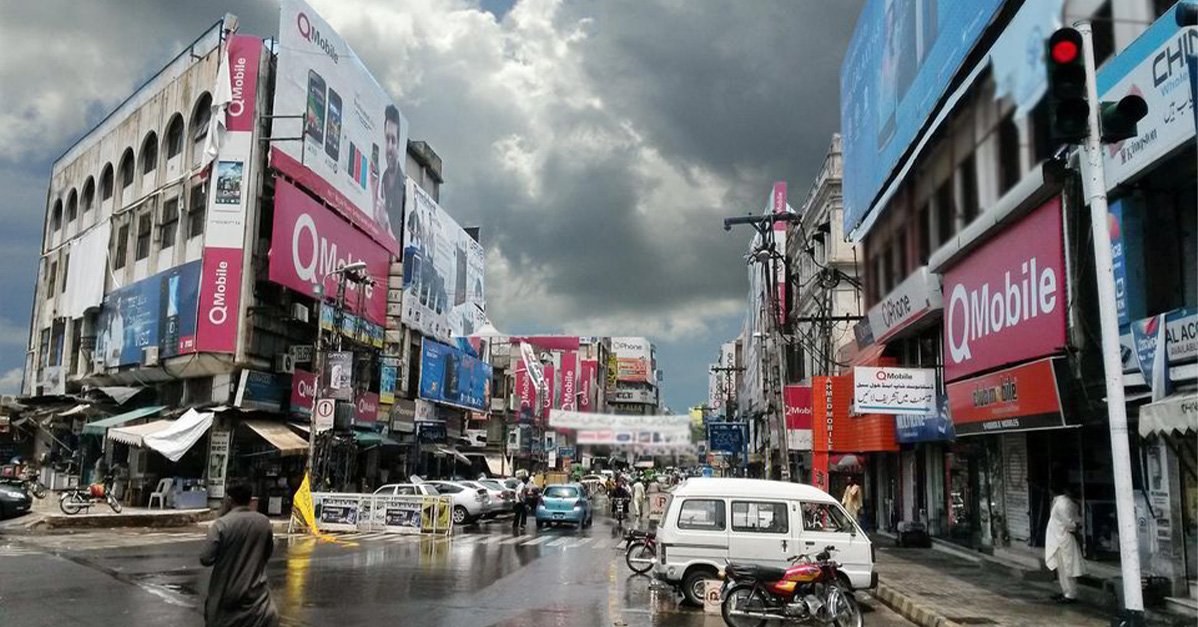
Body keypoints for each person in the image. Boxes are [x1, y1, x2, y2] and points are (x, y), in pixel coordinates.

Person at [200, 483, 278, 627]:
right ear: (250, 500)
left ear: (229, 500)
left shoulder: (221, 525)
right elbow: (267, 553)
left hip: (226, 603)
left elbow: (205, 558)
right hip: (258, 603)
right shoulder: (263, 522)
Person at [1045, 481, 1083, 604]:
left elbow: (1069, 523)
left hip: (1064, 539)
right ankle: (1066, 591)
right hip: (1059, 539)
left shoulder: (1063, 504)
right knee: (1063, 568)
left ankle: (1070, 594)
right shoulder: (1060, 502)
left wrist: (1074, 528)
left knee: (1067, 568)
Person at [379, 104, 404, 240]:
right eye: (387, 138)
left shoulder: (404, 191)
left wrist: (386, 224)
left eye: (393, 141)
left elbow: (400, 245)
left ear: (399, 145)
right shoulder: (382, 179)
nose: (389, 147)